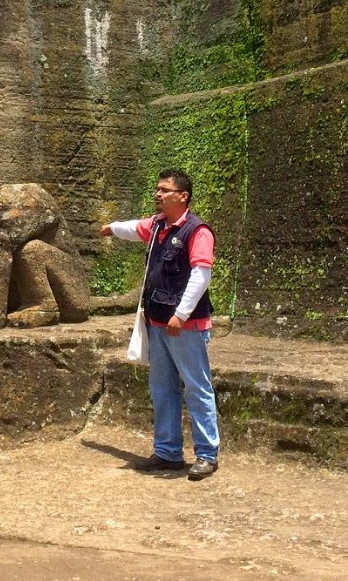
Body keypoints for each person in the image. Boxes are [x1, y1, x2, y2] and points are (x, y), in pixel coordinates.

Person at [101, 169, 219, 480]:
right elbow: (132, 228)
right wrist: (111, 228)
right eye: (157, 189)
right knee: (162, 388)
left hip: (185, 325)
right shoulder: (157, 226)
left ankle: (207, 454)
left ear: (183, 196)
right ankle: (168, 452)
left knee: (196, 387)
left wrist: (180, 314)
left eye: (165, 190)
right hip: (157, 322)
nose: (158, 194)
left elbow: (201, 275)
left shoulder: (198, 231)